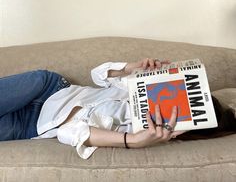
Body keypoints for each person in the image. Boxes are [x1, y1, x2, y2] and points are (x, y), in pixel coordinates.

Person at [0, 58, 235, 159]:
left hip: (31, 125)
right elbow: (99, 75)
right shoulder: (142, 88)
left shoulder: (135, 129)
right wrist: (131, 69)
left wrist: (133, 140)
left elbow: (68, 132)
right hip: (50, 88)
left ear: (180, 130)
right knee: (37, 78)